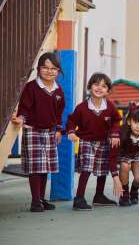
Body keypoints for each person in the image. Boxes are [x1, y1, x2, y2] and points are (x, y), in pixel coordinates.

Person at [11, 52, 65, 212]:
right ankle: (35, 201)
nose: (49, 71)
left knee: (45, 166)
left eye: (54, 68)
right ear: (39, 69)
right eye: (45, 68)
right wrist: (21, 118)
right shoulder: (31, 87)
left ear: (58, 71)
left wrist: (59, 130)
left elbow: (59, 113)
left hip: (50, 132)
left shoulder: (58, 91)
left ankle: (41, 198)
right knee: (36, 167)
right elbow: (25, 108)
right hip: (33, 130)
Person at [67, 73, 122, 210]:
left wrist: (115, 134)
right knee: (86, 168)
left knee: (102, 169)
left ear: (107, 91)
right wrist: (71, 131)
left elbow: (116, 120)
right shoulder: (82, 107)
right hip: (87, 141)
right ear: (90, 86)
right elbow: (72, 121)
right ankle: (79, 198)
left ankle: (99, 196)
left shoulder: (109, 106)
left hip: (104, 141)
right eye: (96, 84)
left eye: (103, 86)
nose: (99, 88)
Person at [109, 106, 139, 206]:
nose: (138, 126)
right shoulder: (121, 133)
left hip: (138, 154)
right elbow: (112, 157)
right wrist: (116, 179)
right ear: (129, 122)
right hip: (123, 153)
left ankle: (134, 191)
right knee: (125, 165)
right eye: (135, 122)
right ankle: (125, 194)